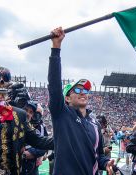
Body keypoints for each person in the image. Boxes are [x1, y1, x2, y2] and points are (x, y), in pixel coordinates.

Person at [48, 27, 114, 175]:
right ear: (67, 98)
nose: (83, 93)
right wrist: (56, 47)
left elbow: (98, 156)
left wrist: (106, 163)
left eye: (86, 90)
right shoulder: (61, 113)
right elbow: (54, 85)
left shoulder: (95, 123)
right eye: (77, 90)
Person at [22, 102, 48, 175]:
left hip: (32, 166)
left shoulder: (42, 127)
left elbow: (44, 146)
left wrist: (34, 153)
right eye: (34, 114)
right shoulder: (21, 124)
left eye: (37, 115)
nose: (34, 117)